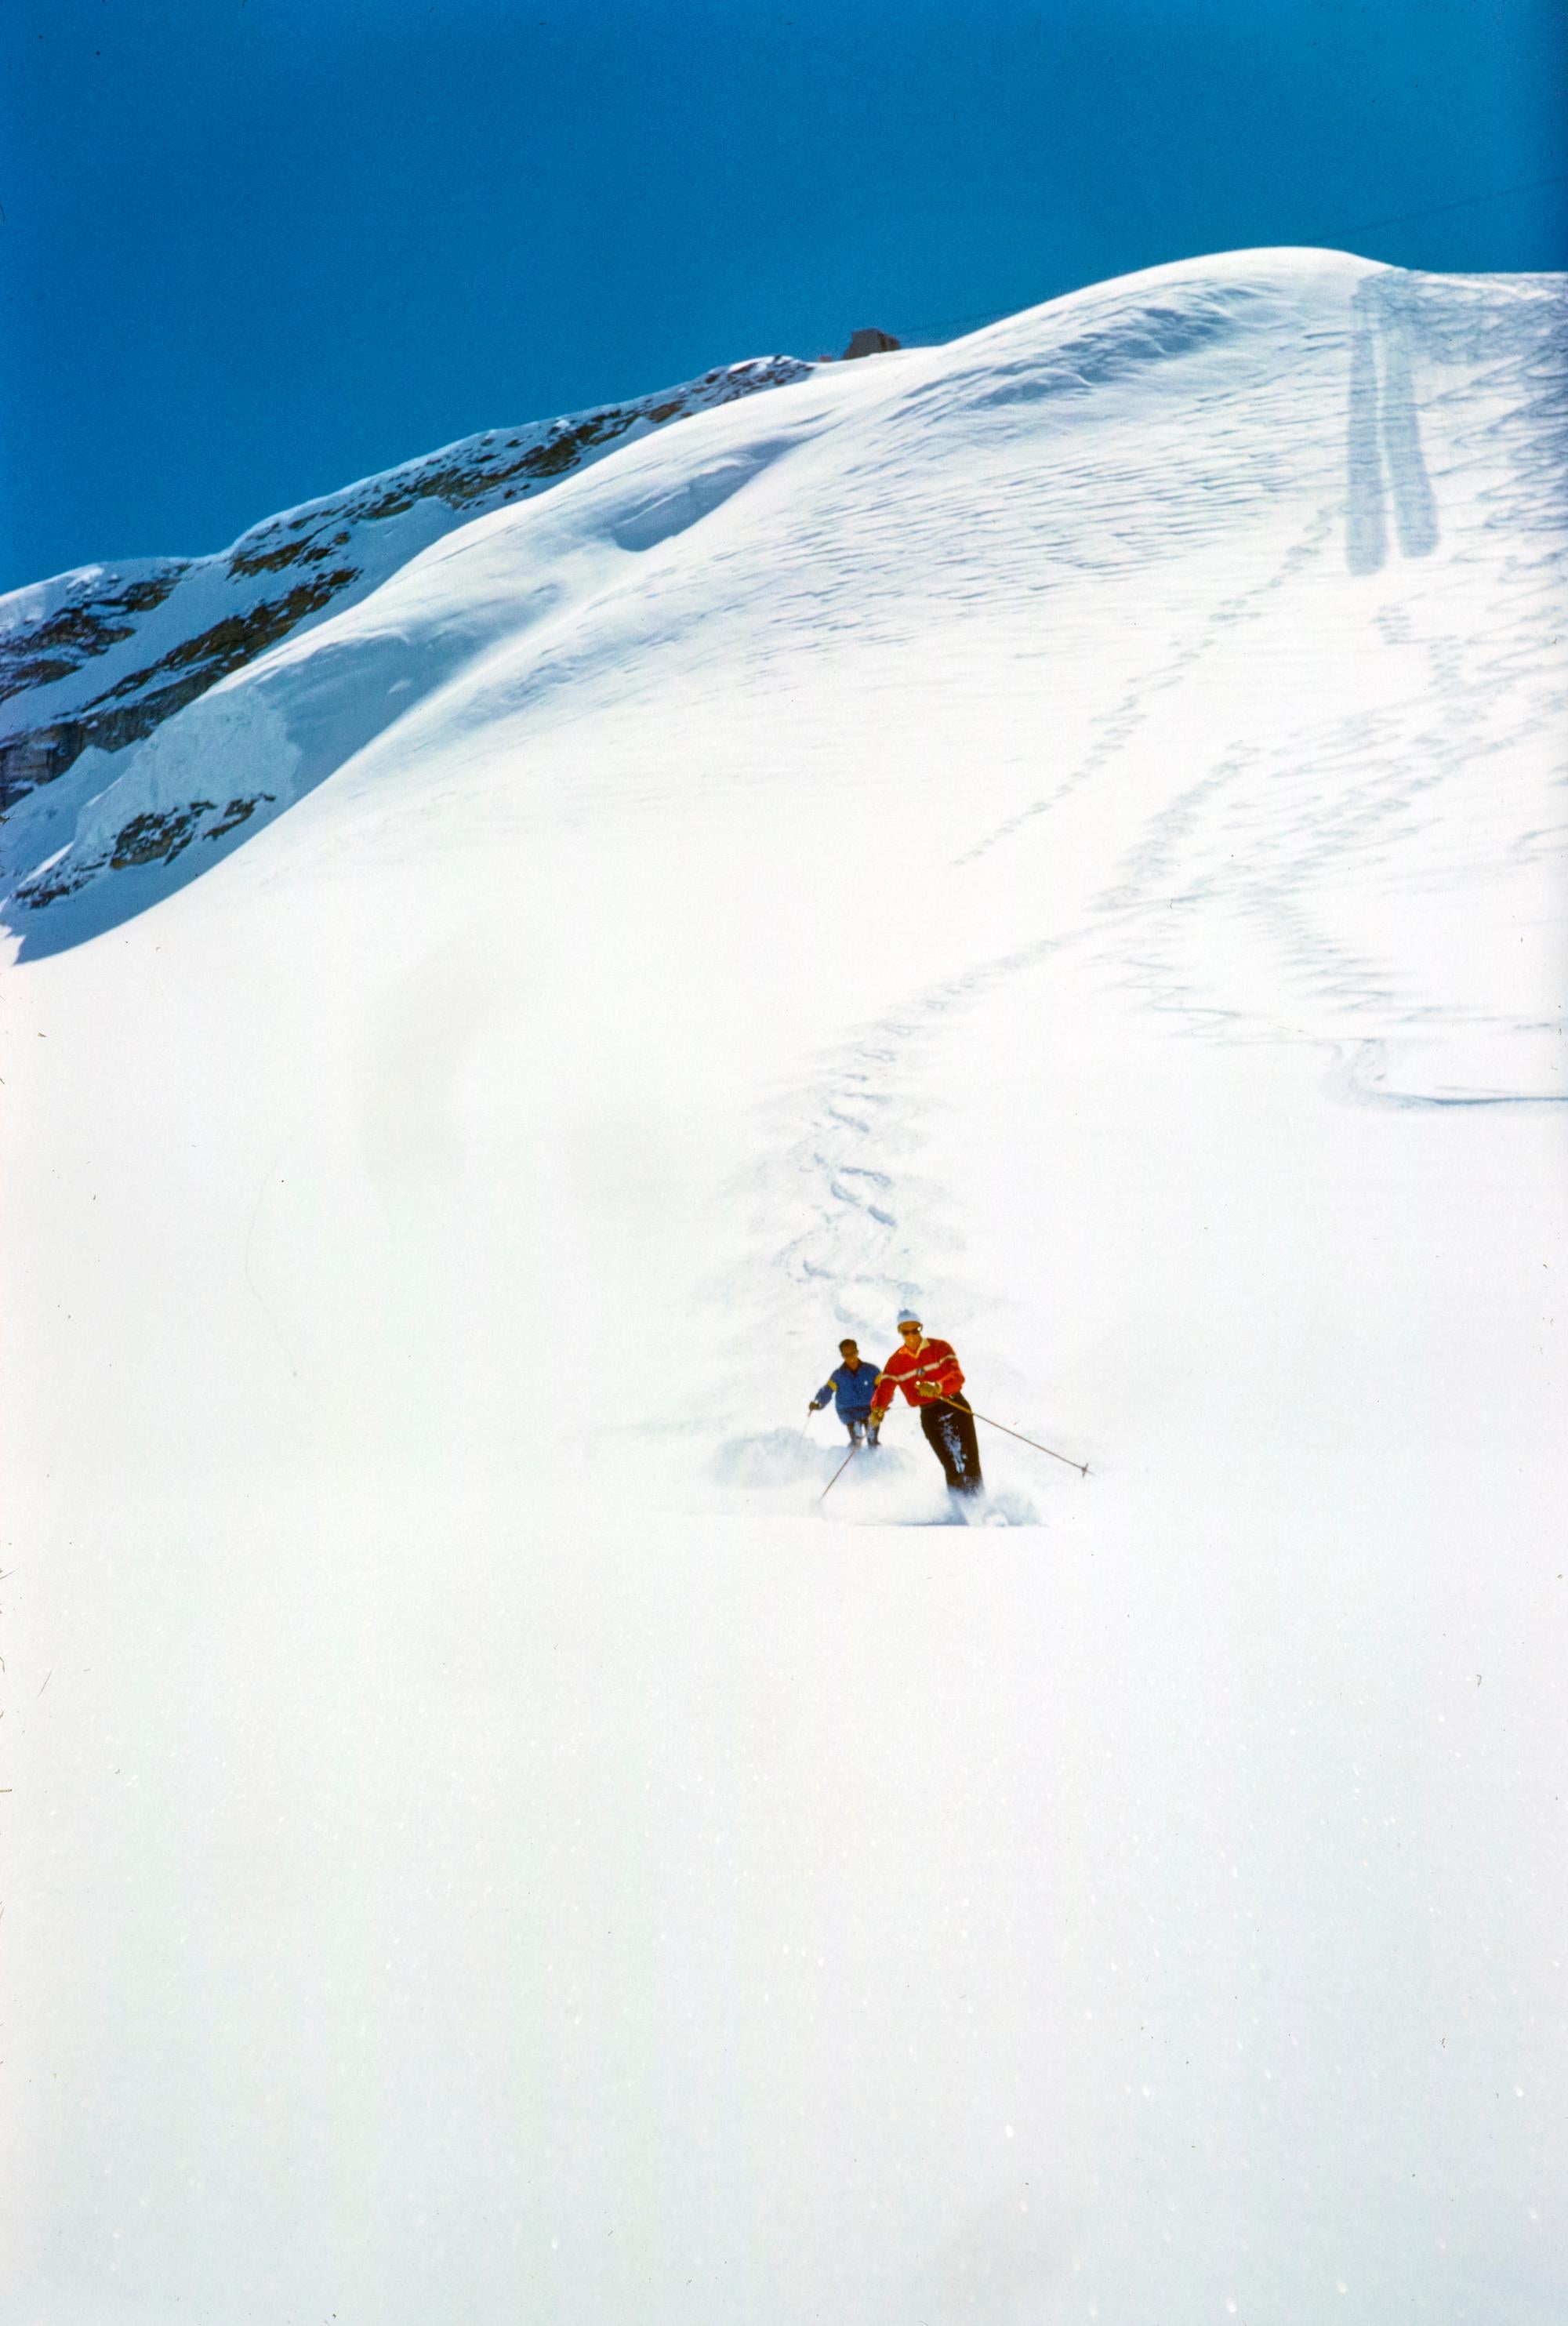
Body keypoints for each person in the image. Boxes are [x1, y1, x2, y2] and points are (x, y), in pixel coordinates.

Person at [869, 1310, 984, 1494]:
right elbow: (885, 1388)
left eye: (915, 1330)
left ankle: (980, 1506)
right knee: (951, 1466)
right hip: (930, 1414)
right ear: (900, 1332)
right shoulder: (896, 1361)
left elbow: (957, 1376)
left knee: (970, 1462)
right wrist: (878, 1409)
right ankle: (961, 1510)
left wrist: (938, 1386)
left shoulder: (940, 1347)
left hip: (955, 1405)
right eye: (906, 1332)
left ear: (921, 1328)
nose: (912, 1336)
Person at [808, 1339, 883, 1445]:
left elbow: (884, 1388)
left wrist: (882, 1405)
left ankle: (874, 1448)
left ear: (857, 1352)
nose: (850, 1357)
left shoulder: (872, 1371)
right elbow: (827, 1390)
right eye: (846, 1355)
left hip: (869, 1410)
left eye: (852, 1353)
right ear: (842, 1356)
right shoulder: (838, 1375)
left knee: (872, 1440)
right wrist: (818, 1402)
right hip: (849, 1412)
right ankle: (855, 1443)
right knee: (856, 1442)